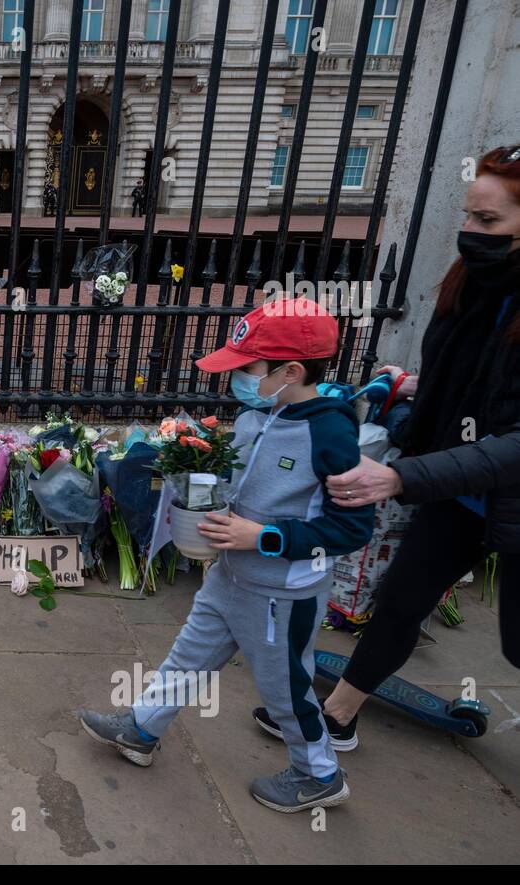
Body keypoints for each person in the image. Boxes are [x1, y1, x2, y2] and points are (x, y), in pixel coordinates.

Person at [75, 296, 375, 812]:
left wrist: (261, 537)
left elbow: (351, 527)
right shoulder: (258, 415)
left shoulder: (330, 432)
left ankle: (319, 774)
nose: (238, 379)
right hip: (230, 575)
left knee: (286, 690)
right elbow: (241, 483)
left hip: (282, 593)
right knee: (188, 657)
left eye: (248, 369)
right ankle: (143, 729)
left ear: (291, 370)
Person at [310, 144, 520, 737]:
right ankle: (338, 716)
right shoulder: (477, 283)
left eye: (488, 221)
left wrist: (403, 477)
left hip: (504, 492)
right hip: (459, 488)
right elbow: (484, 376)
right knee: (403, 599)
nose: (469, 232)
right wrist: (416, 388)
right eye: (468, 216)